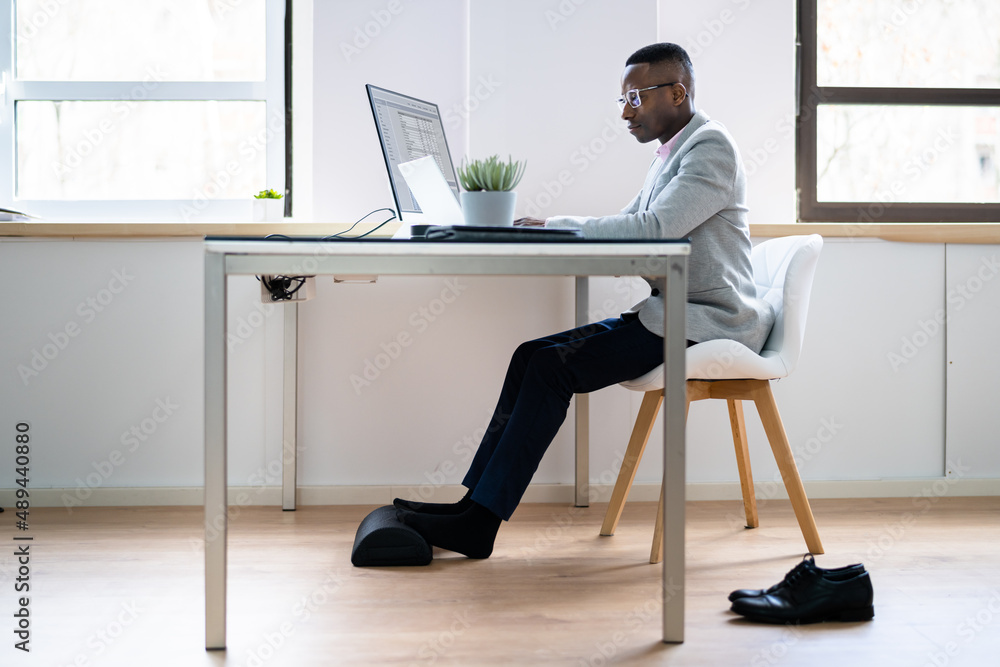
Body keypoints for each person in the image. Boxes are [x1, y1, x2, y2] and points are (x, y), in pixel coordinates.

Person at [394, 42, 775, 559]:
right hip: (674, 312)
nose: (625, 112)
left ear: (678, 92)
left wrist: (554, 226)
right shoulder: (671, 154)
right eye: (623, 100)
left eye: (635, 98)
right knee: (532, 355)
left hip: (707, 323)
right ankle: (471, 507)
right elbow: (632, 227)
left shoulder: (711, 149)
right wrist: (547, 230)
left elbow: (654, 230)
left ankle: (479, 524)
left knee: (553, 367)